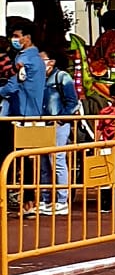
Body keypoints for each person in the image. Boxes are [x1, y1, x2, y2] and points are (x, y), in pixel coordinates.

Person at [38, 50, 80, 217]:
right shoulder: (37, 79)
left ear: (52, 61)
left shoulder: (62, 77)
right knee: (43, 162)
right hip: (41, 124)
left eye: (41, 59)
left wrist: (61, 119)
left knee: (57, 160)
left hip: (58, 125)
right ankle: (46, 200)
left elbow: (73, 102)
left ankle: (62, 201)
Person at [1, 21, 47, 118]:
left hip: (22, 111)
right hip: (36, 111)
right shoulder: (38, 59)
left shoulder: (23, 60)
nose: (13, 39)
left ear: (27, 38)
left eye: (16, 36)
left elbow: (12, 87)